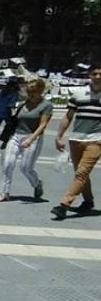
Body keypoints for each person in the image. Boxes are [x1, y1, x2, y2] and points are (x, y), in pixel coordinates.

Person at [52, 63, 101, 220]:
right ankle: (88, 201)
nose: (98, 77)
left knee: (82, 173)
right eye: (95, 73)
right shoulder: (79, 94)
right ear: (90, 75)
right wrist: (59, 136)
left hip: (96, 140)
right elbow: (68, 116)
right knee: (80, 173)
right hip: (76, 139)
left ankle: (64, 205)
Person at [0, 78, 50, 203]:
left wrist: (30, 139)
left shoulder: (46, 106)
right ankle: (4, 192)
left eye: (33, 91)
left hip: (33, 137)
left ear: (40, 91)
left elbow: (43, 125)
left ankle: (36, 184)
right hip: (16, 135)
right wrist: (6, 139)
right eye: (28, 91)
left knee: (25, 168)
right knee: (7, 164)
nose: (30, 94)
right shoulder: (22, 104)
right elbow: (14, 122)